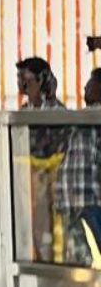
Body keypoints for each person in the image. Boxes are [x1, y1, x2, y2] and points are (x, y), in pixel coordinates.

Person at [17, 56, 66, 261]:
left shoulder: (57, 112)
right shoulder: (23, 112)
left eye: (26, 80)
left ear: (42, 80)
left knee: (50, 236)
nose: (22, 85)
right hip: (26, 185)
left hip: (50, 184)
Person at [55, 68, 101, 268]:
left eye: (91, 83)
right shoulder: (81, 118)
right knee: (82, 261)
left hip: (91, 201)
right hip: (73, 201)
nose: (85, 87)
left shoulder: (93, 118)